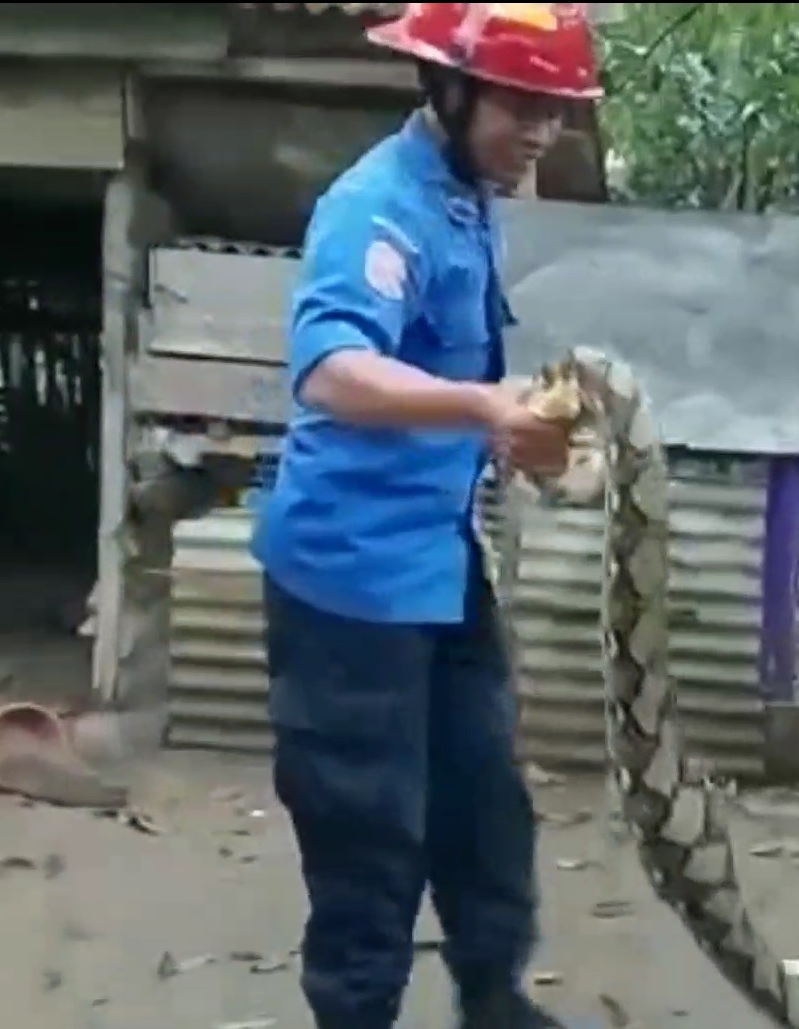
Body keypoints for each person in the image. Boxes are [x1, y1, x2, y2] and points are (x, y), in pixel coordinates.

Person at [249, 5, 598, 1028]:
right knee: (368, 830)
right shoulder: (377, 208)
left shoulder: (465, 196)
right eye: (521, 106)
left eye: (556, 111)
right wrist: (487, 409)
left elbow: (450, 368)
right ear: (446, 93)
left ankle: (493, 1000)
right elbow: (331, 371)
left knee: (485, 804)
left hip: (437, 562)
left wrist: (516, 434)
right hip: (347, 581)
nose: (541, 132)